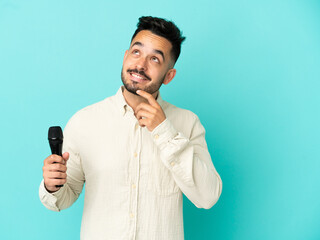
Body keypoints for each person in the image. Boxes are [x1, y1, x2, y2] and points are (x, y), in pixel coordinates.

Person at [39, 16, 222, 240]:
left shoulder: (187, 123)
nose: (140, 65)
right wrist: (52, 185)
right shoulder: (84, 121)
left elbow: (207, 196)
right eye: (136, 52)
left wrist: (164, 131)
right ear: (125, 56)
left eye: (155, 58)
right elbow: (63, 199)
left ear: (169, 76)